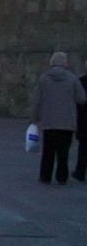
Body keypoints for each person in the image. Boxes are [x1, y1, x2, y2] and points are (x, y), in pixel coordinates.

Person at [30, 51, 84, 184]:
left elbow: (36, 100)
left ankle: (45, 176)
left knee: (48, 151)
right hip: (67, 122)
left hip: (48, 121)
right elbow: (81, 99)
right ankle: (62, 176)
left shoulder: (44, 78)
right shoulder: (72, 79)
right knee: (63, 152)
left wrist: (34, 118)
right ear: (65, 62)